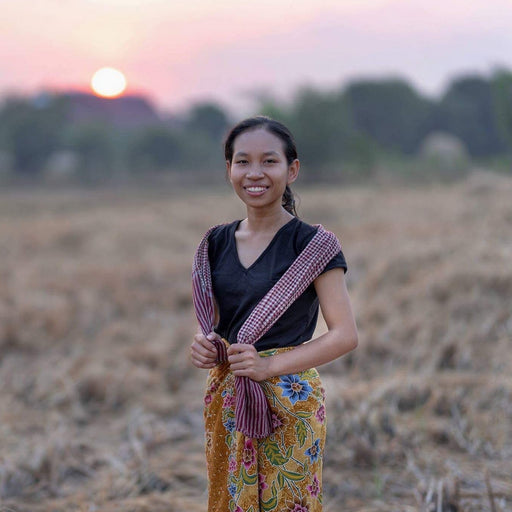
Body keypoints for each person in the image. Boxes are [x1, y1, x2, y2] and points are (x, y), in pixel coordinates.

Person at [190, 116, 358, 512]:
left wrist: (268, 368)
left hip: (290, 399)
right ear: (229, 170)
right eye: (242, 161)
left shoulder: (314, 244)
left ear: (292, 169)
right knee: (230, 500)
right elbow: (215, 326)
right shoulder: (214, 242)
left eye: (269, 161)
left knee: (289, 502)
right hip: (229, 396)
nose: (255, 173)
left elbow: (344, 335)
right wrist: (203, 347)